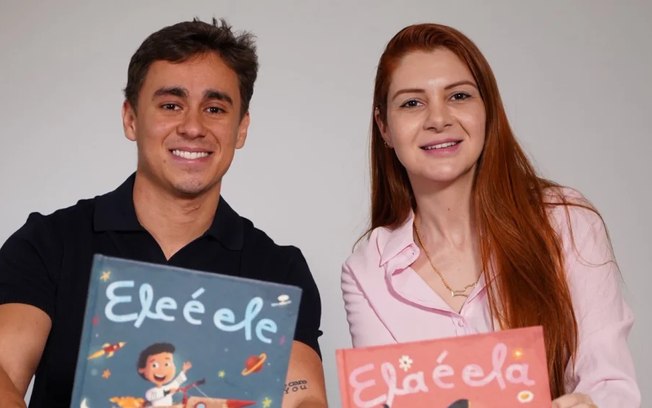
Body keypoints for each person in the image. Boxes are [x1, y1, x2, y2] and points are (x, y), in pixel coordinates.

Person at [0, 19, 327, 408]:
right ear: (131, 118)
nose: (193, 127)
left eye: (215, 108)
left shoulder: (279, 273)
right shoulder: (49, 243)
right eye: (171, 105)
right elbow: (3, 369)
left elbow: (303, 398)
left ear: (241, 129)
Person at [341, 23, 640, 408]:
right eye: (412, 103)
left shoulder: (567, 222)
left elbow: (610, 383)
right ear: (384, 126)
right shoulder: (366, 273)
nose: (438, 119)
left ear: (488, 110)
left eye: (459, 96)